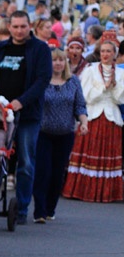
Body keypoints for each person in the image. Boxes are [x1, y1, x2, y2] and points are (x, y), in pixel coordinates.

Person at [0, 10, 53, 224]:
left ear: (29, 25)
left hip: (27, 115)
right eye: (15, 26)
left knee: (25, 161)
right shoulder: (0, 48)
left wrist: (20, 102)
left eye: (23, 26)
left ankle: (22, 208)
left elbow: (43, 80)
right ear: (9, 27)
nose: (19, 30)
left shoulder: (40, 49)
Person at [61, 34, 124, 203]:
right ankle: (82, 190)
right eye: (103, 51)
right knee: (87, 152)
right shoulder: (90, 70)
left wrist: (114, 87)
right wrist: (103, 88)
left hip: (111, 116)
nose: (105, 54)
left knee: (108, 154)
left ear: (115, 54)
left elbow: (121, 99)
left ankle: (107, 192)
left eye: (109, 51)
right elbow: (84, 95)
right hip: (92, 114)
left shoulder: (121, 73)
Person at [33, 49, 87, 222]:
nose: (58, 63)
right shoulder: (42, 82)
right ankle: (39, 211)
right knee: (43, 171)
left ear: (65, 63)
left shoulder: (73, 82)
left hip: (65, 134)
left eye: (61, 60)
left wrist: (83, 122)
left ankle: (50, 208)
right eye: (54, 60)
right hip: (43, 133)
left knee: (57, 174)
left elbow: (80, 105)